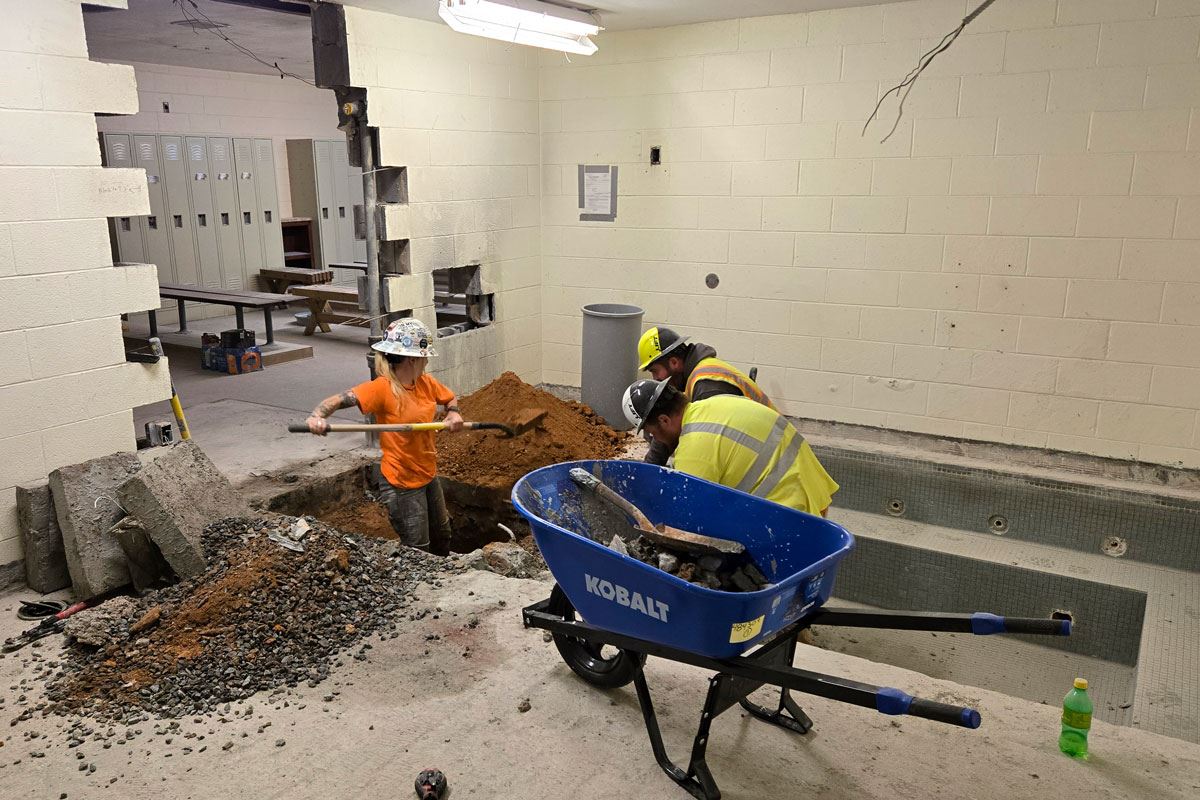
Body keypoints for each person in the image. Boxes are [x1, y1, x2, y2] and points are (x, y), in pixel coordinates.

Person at [304, 318, 463, 552]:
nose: (427, 360)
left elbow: (449, 398)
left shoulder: (425, 383)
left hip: (427, 473)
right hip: (401, 481)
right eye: (425, 355)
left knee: (442, 535)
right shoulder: (383, 388)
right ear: (412, 358)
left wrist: (453, 413)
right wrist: (317, 415)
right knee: (418, 548)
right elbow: (339, 399)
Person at [622, 379, 838, 517]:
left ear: (664, 421)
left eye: (652, 433)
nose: (654, 439)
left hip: (790, 512)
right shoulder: (715, 404)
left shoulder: (694, 447)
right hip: (815, 494)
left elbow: (691, 518)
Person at [636, 326, 772, 465]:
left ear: (674, 362)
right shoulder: (691, 376)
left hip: (766, 458)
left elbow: (709, 448)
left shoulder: (707, 387)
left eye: (655, 371)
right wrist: (650, 466)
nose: (656, 378)